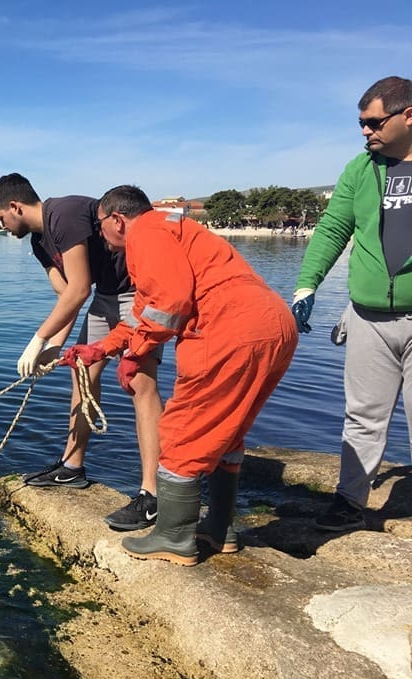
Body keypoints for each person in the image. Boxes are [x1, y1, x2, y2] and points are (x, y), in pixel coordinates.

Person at [64, 185, 297, 566]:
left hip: (228, 330)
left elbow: (170, 304)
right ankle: (219, 529)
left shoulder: (144, 234)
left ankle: (173, 537)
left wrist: (134, 354)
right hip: (273, 324)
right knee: (225, 433)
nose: (99, 235)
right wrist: (101, 349)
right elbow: (146, 311)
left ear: (117, 220)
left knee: (179, 431)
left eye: (100, 224)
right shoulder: (171, 231)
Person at [0, 173, 165, 531]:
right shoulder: (39, 242)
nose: (0, 225)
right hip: (105, 298)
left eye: (0, 217)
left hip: (136, 294)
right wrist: (53, 348)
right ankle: (72, 467)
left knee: (139, 383)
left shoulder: (62, 214)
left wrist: (37, 340)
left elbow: (79, 289)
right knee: (81, 373)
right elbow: (66, 296)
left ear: (15, 207)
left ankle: (153, 495)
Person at [292, 75, 412, 532]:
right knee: (362, 416)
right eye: (361, 123)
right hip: (367, 318)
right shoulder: (360, 169)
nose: (365, 131)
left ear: (408, 116)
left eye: (373, 122)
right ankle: (349, 502)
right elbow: (332, 229)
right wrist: (306, 286)